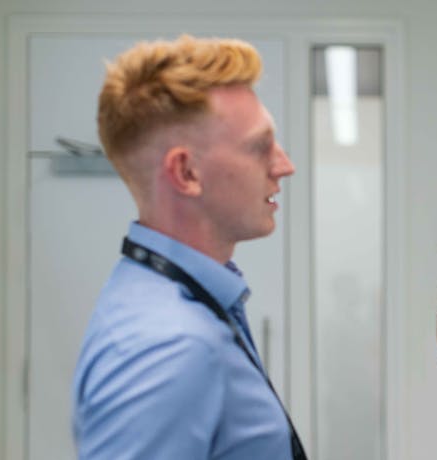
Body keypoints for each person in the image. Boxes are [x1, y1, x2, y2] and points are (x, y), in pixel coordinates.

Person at [72, 35, 306, 459]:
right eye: (260, 146)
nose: (284, 166)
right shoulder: (166, 347)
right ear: (186, 172)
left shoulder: (174, 302)